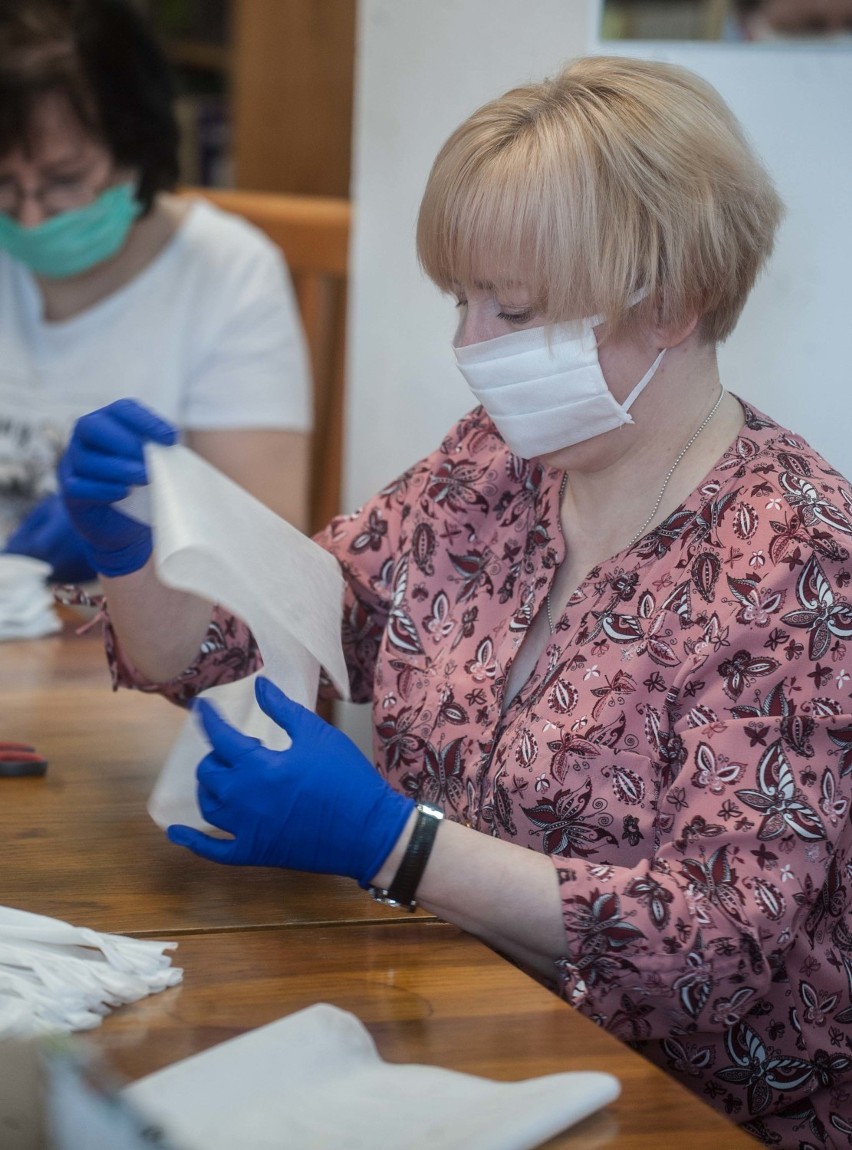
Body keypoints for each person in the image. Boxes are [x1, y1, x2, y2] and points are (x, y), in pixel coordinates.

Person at [59, 56, 852, 1147]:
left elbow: (709, 948)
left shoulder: (802, 563)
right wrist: (139, 551)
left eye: (513, 309)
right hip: (445, 1018)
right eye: (462, 300)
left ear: (671, 305)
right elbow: (274, 631)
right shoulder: (497, 464)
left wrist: (396, 841)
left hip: (681, 1106)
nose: (469, 346)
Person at [0, 0, 311, 582]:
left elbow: (273, 552)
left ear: (137, 146)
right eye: (4, 183)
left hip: (128, 653)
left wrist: (142, 533)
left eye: (64, 180)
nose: (32, 217)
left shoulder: (228, 274)